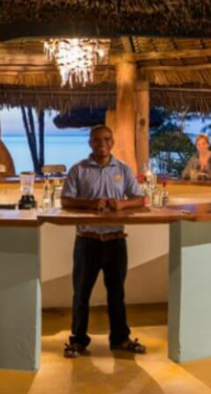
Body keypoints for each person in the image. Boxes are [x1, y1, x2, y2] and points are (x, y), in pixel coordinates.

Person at [59, 125, 147, 357]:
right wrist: (90, 204)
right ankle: (78, 341)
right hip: (86, 241)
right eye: (97, 140)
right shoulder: (78, 170)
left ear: (112, 142)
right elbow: (65, 201)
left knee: (117, 294)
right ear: (90, 143)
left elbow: (139, 199)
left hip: (116, 240)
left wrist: (122, 204)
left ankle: (120, 339)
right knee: (81, 294)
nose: (102, 144)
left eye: (107, 139)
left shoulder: (124, 169)